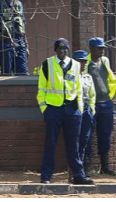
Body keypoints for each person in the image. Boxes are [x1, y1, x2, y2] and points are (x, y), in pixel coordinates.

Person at [36, 39, 93, 185]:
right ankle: (46, 176)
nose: (62, 52)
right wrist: (45, 109)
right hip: (53, 108)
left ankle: (78, 176)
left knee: (73, 144)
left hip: (71, 108)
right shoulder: (47, 64)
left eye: (64, 50)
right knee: (50, 142)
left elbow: (78, 87)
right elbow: (41, 89)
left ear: (68, 51)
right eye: (59, 50)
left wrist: (79, 109)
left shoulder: (75, 65)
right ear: (55, 51)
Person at [85, 37, 116, 176]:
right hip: (91, 104)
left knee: (105, 135)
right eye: (99, 48)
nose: (102, 51)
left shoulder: (105, 61)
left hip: (106, 102)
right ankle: (86, 166)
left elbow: (109, 79)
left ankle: (105, 166)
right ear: (92, 49)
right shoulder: (85, 63)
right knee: (87, 135)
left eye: (103, 48)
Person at [69, 50, 96, 182]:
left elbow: (92, 96)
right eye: (80, 61)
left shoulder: (88, 77)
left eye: (85, 61)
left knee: (85, 141)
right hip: (74, 109)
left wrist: (91, 109)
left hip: (86, 110)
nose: (83, 64)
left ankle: (82, 171)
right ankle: (73, 172)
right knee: (74, 142)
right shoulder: (69, 76)